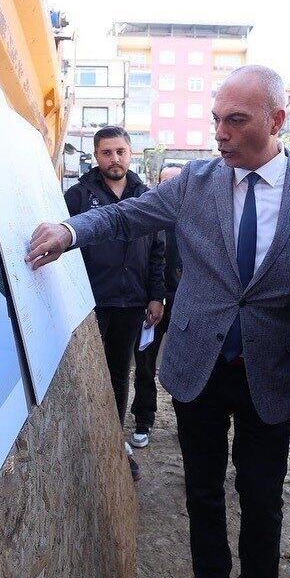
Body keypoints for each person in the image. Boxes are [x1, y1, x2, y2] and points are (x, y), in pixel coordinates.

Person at [27, 65, 290, 578]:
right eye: (216, 119)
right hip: (196, 367)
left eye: (236, 120)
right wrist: (69, 231)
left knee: (262, 498)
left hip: (268, 378)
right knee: (202, 491)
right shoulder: (194, 184)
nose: (219, 133)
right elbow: (126, 217)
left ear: (276, 120)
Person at [64, 125, 164, 482]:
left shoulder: (147, 196)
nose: (114, 158)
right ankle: (82, 438)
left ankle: (113, 436)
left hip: (132, 301)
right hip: (89, 302)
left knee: (121, 371)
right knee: (85, 371)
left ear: (130, 153)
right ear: (96, 156)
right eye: (107, 152)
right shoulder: (77, 196)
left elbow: (157, 251)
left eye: (120, 151)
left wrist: (156, 295)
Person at [130, 163, 184, 448]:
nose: (172, 188)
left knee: (188, 366)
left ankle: (188, 423)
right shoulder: (149, 217)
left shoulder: (201, 218)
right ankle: (143, 419)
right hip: (152, 302)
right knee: (145, 364)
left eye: (178, 182)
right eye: (166, 183)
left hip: (187, 306)